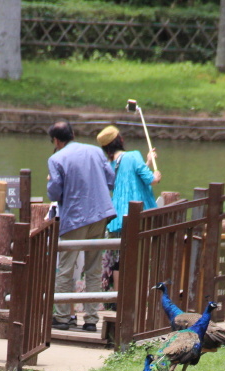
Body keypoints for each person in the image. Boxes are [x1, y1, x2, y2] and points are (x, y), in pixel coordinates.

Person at [46, 121, 116, 332]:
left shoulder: (56, 158)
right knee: (94, 268)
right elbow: (111, 180)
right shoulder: (95, 151)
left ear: (56, 141)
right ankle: (91, 320)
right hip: (99, 214)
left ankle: (62, 317)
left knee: (66, 268)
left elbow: (55, 193)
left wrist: (50, 181)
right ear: (73, 134)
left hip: (75, 218)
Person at [96, 125, 161, 300]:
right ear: (120, 140)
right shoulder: (133, 156)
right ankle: (136, 297)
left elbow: (127, 177)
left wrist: (146, 162)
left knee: (120, 259)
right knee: (137, 257)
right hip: (137, 215)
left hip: (117, 218)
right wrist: (155, 173)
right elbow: (151, 180)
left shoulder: (109, 164)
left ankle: (119, 298)